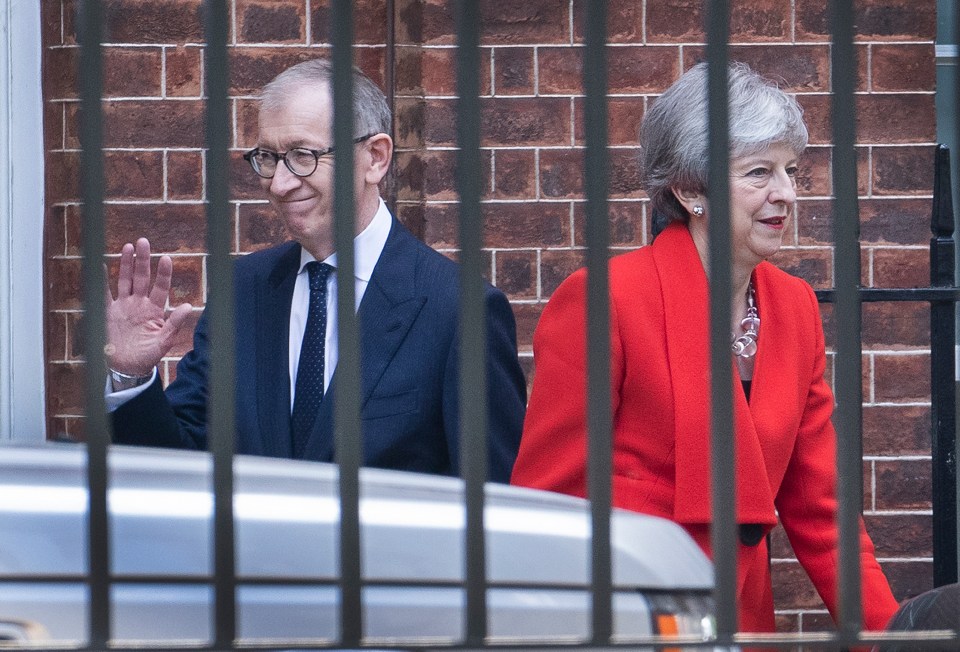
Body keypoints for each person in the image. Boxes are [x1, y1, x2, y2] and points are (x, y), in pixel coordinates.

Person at [510, 62, 899, 632]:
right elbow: (551, 500)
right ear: (691, 189)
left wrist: (892, 639)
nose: (786, 193)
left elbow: (824, 514)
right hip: (631, 618)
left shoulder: (793, 308)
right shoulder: (606, 299)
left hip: (739, 620)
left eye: (791, 171)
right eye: (759, 172)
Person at [105, 58, 526, 482]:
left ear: (375, 158)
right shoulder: (244, 291)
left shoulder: (458, 310)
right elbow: (181, 467)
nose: (280, 184)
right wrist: (132, 377)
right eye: (269, 157)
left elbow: (491, 500)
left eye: (303, 155)